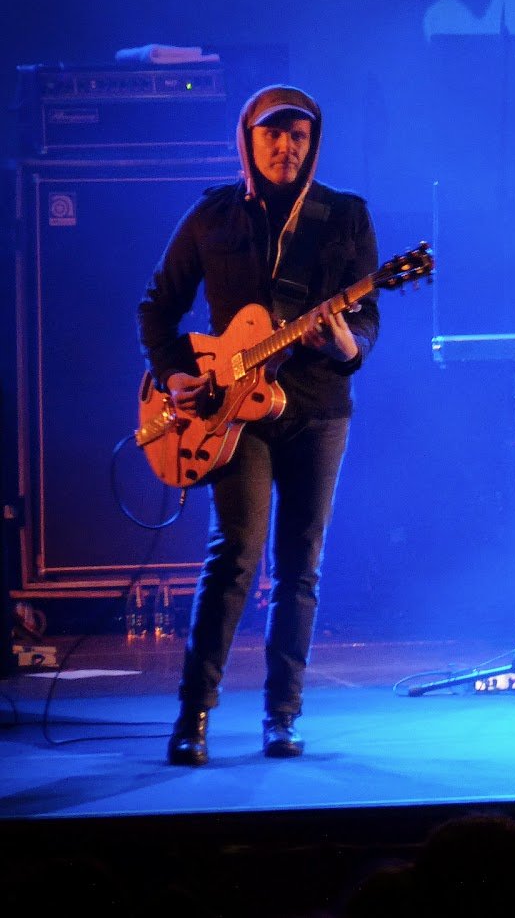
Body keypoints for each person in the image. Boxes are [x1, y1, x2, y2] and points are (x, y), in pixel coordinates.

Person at [137, 84, 379, 765]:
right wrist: (172, 375)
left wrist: (346, 344)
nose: (286, 146)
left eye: (299, 135)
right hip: (230, 414)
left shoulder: (345, 216)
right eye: (273, 133)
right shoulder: (213, 214)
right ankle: (194, 714)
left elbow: (367, 321)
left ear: (313, 142)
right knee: (235, 555)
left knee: (301, 565)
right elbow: (157, 307)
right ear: (248, 138)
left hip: (318, 410)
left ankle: (283, 714)